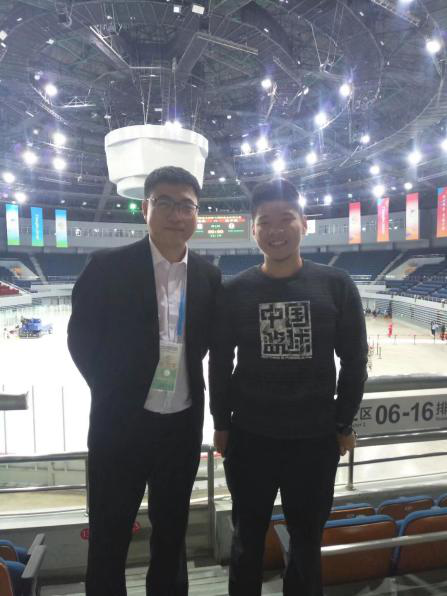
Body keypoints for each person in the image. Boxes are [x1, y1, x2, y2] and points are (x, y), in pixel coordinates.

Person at [209, 178, 368, 596]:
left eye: (286, 219)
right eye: (265, 221)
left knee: (306, 544)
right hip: (250, 438)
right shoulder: (234, 291)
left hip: (314, 441)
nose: (275, 230)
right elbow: (221, 362)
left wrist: (343, 422)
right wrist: (220, 421)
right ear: (252, 229)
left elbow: (355, 361)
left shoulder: (336, 285)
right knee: (247, 540)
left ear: (304, 224)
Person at [68, 166, 221, 596]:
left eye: (187, 205)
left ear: (197, 213)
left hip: (181, 428)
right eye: (165, 203)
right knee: (109, 533)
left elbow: (206, 345)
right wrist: (114, 391)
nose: (176, 214)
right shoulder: (106, 267)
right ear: (145, 209)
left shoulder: (208, 276)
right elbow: (81, 341)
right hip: (119, 428)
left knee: (172, 534)